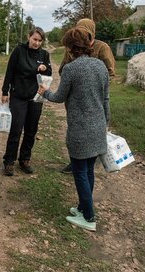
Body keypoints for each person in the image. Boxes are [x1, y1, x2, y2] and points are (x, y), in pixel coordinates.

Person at [38, 27, 110, 232]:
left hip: (80, 130)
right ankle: (82, 207)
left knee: (80, 172)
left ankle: (88, 217)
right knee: (88, 171)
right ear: (88, 45)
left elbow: (59, 97)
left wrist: (45, 92)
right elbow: (106, 99)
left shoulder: (71, 69)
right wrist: (107, 122)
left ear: (70, 48)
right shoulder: (101, 66)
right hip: (98, 127)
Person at [58, 18, 115, 174]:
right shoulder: (72, 47)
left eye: (85, 32)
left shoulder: (102, 48)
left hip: (93, 96)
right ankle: (76, 162)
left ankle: (87, 162)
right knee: (76, 129)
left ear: (92, 34)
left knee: (93, 128)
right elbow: (63, 68)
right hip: (74, 98)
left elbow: (110, 72)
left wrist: (92, 81)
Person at [1, 27, 52, 176]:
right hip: (18, 96)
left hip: (36, 98)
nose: (36, 43)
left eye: (39, 41)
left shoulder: (45, 54)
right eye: (34, 39)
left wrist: (44, 68)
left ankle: (25, 159)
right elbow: (10, 71)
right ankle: (9, 161)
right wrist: (5, 91)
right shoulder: (19, 51)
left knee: (31, 130)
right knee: (16, 129)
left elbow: (49, 74)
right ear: (29, 37)